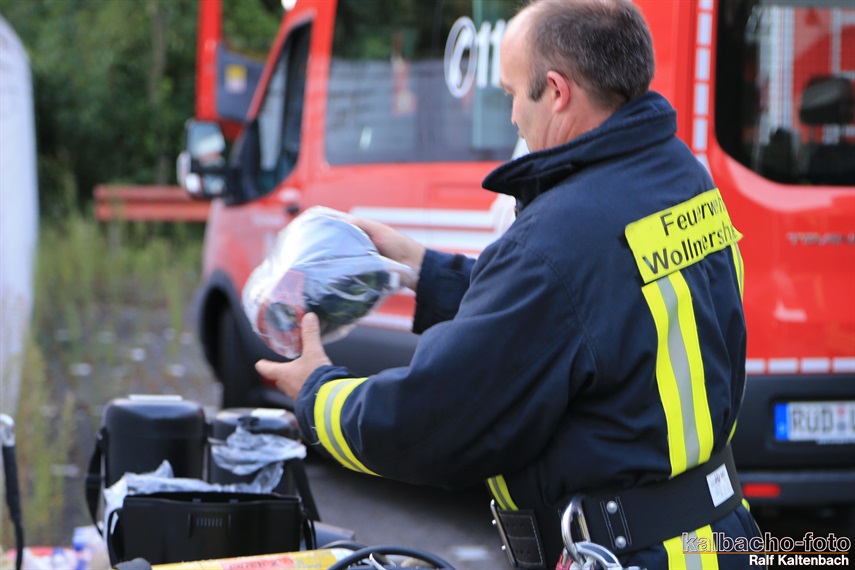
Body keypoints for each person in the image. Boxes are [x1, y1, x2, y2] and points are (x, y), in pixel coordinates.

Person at [256, 0, 763, 568]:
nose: (514, 117)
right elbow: (590, 310)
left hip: (631, 554)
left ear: (557, 91)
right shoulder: (680, 176)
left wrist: (318, 392)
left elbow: (435, 421)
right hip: (720, 538)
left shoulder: (558, 238)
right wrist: (424, 271)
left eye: (512, 94)